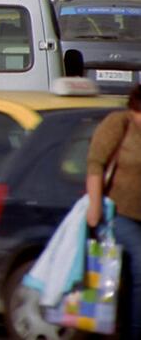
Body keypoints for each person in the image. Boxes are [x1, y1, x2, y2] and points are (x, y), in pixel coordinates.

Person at [86, 85, 141, 339]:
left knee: (129, 278)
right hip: (118, 214)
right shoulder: (120, 123)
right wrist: (95, 211)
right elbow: (95, 164)